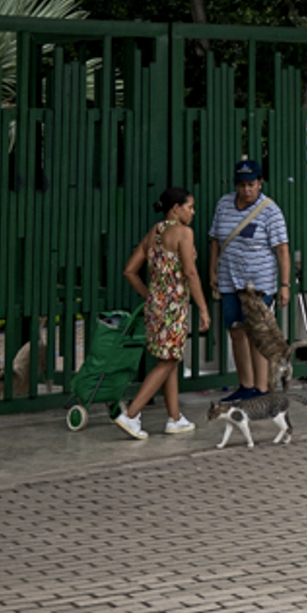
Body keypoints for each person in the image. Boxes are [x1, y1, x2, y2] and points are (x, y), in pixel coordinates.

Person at [114, 186, 210, 440]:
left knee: (168, 360)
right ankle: (131, 414)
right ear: (176, 209)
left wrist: (150, 295)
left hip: (155, 306)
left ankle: (175, 418)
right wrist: (202, 307)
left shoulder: (154, 233)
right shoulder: (183, 233)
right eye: (190, 207)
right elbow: (190, 273)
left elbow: (130, 271)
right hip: (175, 307)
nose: (193, 212)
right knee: (168, 360)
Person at [207, 157, 291, 401]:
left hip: (258, 284)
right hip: (229, 280)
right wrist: (213, 269)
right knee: (236, 331)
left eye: (251, 185)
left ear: (260, 182)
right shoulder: (224, 205)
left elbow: (282, 249)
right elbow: (215, 238)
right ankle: (245, 385)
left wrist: (284, 285)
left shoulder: (270, 211)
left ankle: (262, 389)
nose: (246, 190)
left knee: (257, 334)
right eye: (241, 185)